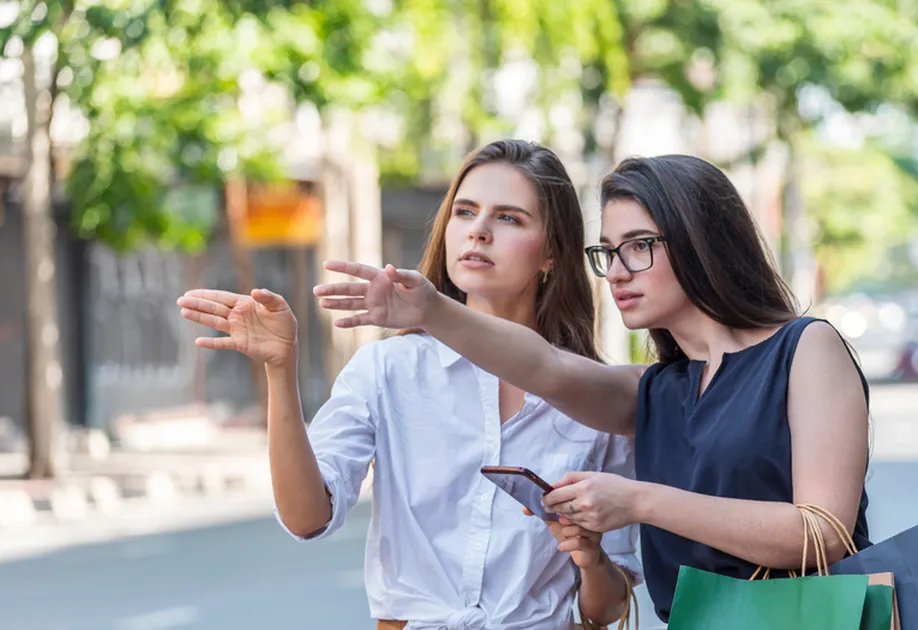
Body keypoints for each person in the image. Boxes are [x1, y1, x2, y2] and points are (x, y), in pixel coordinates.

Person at [316, 154, 872, 623]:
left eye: (638, 246)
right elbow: (546, 368)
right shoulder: (656, 391)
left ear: (703, 242)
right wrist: (433, 311)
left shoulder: (804, 349)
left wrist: (639, 501)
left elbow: (821, 532)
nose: (618, 272)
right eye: (608, 252)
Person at [176, 139, 640, 630]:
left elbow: (607, 609)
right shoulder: (387, 370)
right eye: (465, 211)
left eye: (508, 218)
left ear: (551, 253)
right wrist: (279, 368)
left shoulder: (596, 401)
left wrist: (589, 558)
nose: (478, 231)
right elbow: (307, 518)